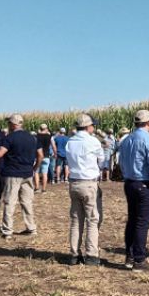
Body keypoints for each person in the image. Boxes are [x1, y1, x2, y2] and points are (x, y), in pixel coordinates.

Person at [119, 110, 149, 272]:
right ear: (148, 123)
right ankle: (139, 259)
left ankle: (129, 256)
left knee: (132, 220)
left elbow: (121, 162)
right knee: (142, 223)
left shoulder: (127, 140)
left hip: (129, 183)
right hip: (144, 184)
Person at [0, 114, 43, 239]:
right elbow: (40, 155)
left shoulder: (10, 138)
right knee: (27, 202)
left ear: (12, 124)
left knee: (10, 202)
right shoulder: (32, 138)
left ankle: (7, 231)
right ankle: (31, 228)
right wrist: (35, 168)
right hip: (27, 173)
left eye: (9, 123)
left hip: (12, 173)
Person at [66, 114, 105, 266]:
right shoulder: (93, 141)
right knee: (92, 220)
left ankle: (74, 254)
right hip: (89, 183)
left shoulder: (71, 141)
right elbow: (101, 160)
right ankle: (92, 255)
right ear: (88, 127)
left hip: (74, 182)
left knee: (76, 220)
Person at [34, 124, 53, 193]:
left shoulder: (36, 136)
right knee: (45, 173)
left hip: (37, 156)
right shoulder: (49, 136)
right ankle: (44, 189)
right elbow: (53, 145)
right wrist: (55, 153)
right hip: (46, 156)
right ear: (46, 128)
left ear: (40, 128)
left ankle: (36, 187)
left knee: (36, 172)